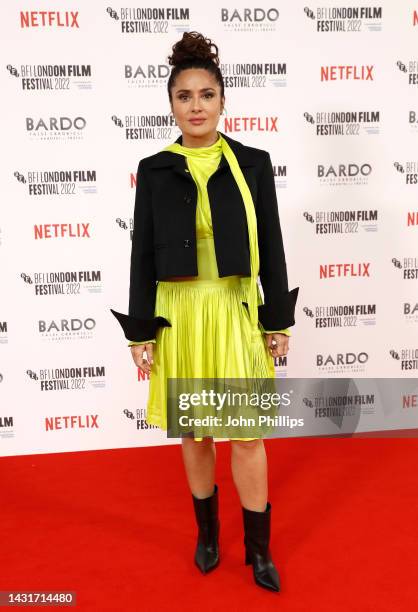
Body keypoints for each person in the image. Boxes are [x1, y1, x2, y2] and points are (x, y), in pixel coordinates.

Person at [111, 31, 299, 593]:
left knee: (246, 435)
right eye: (185, 96)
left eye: (206, 94)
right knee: (195, 434)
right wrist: (140, 332)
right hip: (181, 317)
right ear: (171, 105)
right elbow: (141, 250)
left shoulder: (254, 164)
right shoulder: (156, 168)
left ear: (223, 101)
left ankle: (259, 551)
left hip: (235, 308)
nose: (196, 105)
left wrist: (276, 322)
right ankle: (209, 535)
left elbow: (274, 243)